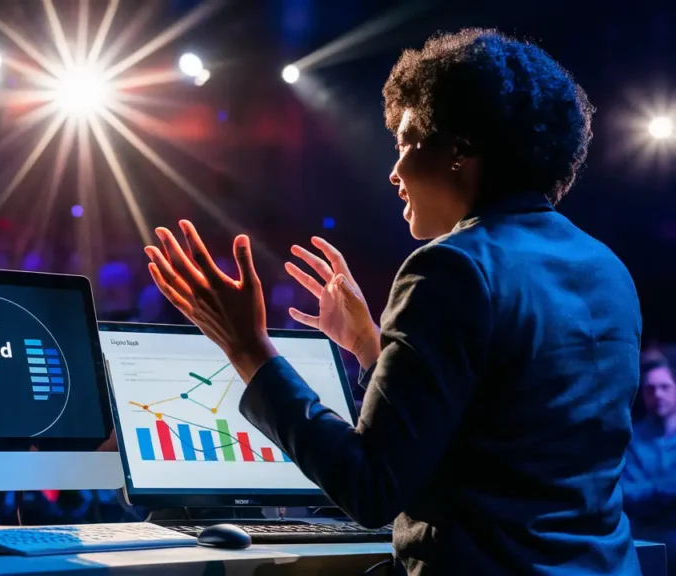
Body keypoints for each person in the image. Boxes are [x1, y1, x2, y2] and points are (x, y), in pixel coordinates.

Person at [144, 29, 640, 574]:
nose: (394, 170)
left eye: (406, 141)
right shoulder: (607, 269)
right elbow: (497, 440)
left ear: (460, 149)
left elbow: (371, 488)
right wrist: (366, 345)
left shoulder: (450, 266)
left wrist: (248, 349)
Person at [622, 355, 676, 574]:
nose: (658, 394)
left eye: (665, 386)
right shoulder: (631, 438)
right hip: (646, 543)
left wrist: (651, 490)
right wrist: (667, 488)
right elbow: (627, 494)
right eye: (650, 389)